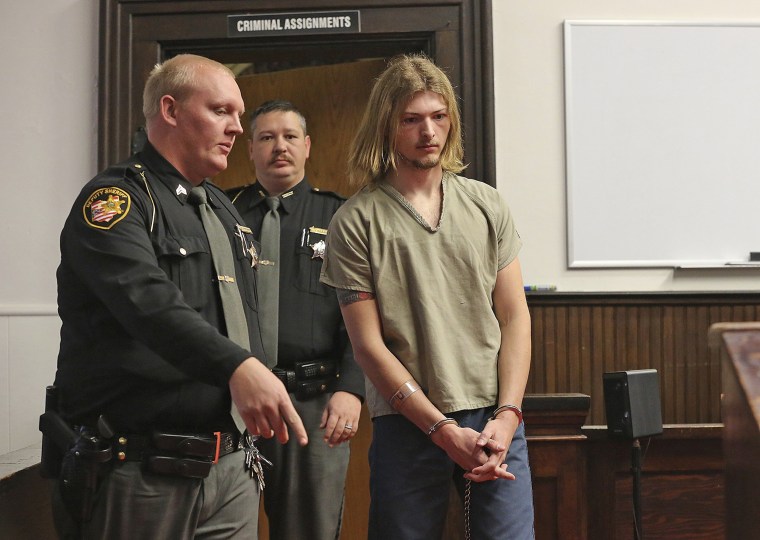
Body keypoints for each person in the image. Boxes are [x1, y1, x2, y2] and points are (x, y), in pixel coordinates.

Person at [49, 54, 307, 539]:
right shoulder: (117, 201)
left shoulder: (224, 212)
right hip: (143, 468)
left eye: (238, 114)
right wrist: (237, 366)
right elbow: (147, 302)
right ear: (170, 110)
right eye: (220, 111)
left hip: (231, 465)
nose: (236, 127)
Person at [320, 54, 535, 539]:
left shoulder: (486, 204)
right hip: (408, 420)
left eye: (439, 117)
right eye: (411, 120)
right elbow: (369, 347)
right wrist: (439, 429)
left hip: (494, 414)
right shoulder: (356, 222)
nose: (428, 132)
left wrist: (508, 414)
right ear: (387, 127)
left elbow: (515, 316)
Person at [228, 100, 364, 540]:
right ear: (249, 148)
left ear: (307, 146)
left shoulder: (340, 217)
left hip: (311, 401)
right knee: (224, 525)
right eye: (266, 137)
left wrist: (352, 388)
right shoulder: (221, 214)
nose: (278, 147)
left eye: (289, 137)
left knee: (309, 531)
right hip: (231, 405)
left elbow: (365, 314)